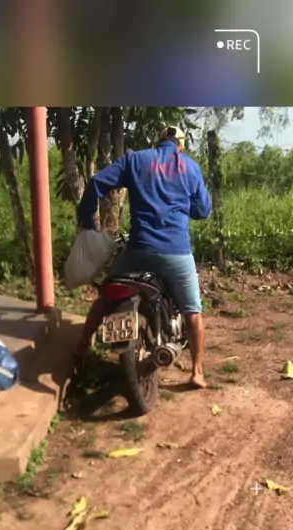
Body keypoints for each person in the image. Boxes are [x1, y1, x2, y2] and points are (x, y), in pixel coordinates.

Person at [74, 125, 212, 389]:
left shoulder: (136, 159)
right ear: (180, 146)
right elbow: (203, 210)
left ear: (158, 141)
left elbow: (97, 182)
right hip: (176, 252)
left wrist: (88, 219)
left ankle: (81, 348)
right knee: (193, 311)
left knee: (107, 294)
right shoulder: (190, 168)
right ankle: (197, 372)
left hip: (138, 249)